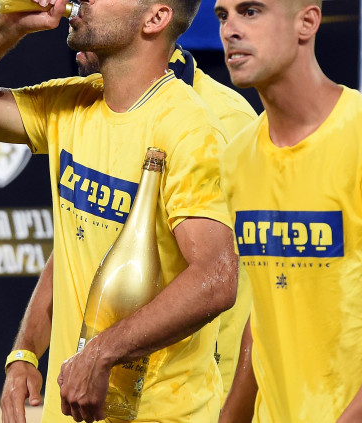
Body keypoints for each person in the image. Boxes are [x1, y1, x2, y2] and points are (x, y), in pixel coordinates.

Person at [0, 0, 240, 421]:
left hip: (160, 413)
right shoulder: (71, 103)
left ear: (156, 18)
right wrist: (8, 26)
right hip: (70, 408)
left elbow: (216, 279)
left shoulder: (191, 130)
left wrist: (102, 352)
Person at [215, 0, 362, 422]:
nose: (230, 29)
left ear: (307, 22)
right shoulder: (236, 158)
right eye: (223, 15)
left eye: (250, 11)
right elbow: (267, 308)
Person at [66, 45, 258, 414]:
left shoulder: (225, 119)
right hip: (93, 379)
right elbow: (78, 238)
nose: (75, 16)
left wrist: (235, 401)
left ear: (153, 20)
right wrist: (24, 351)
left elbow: (234, 274)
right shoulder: (97, 107)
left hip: (197, 386)